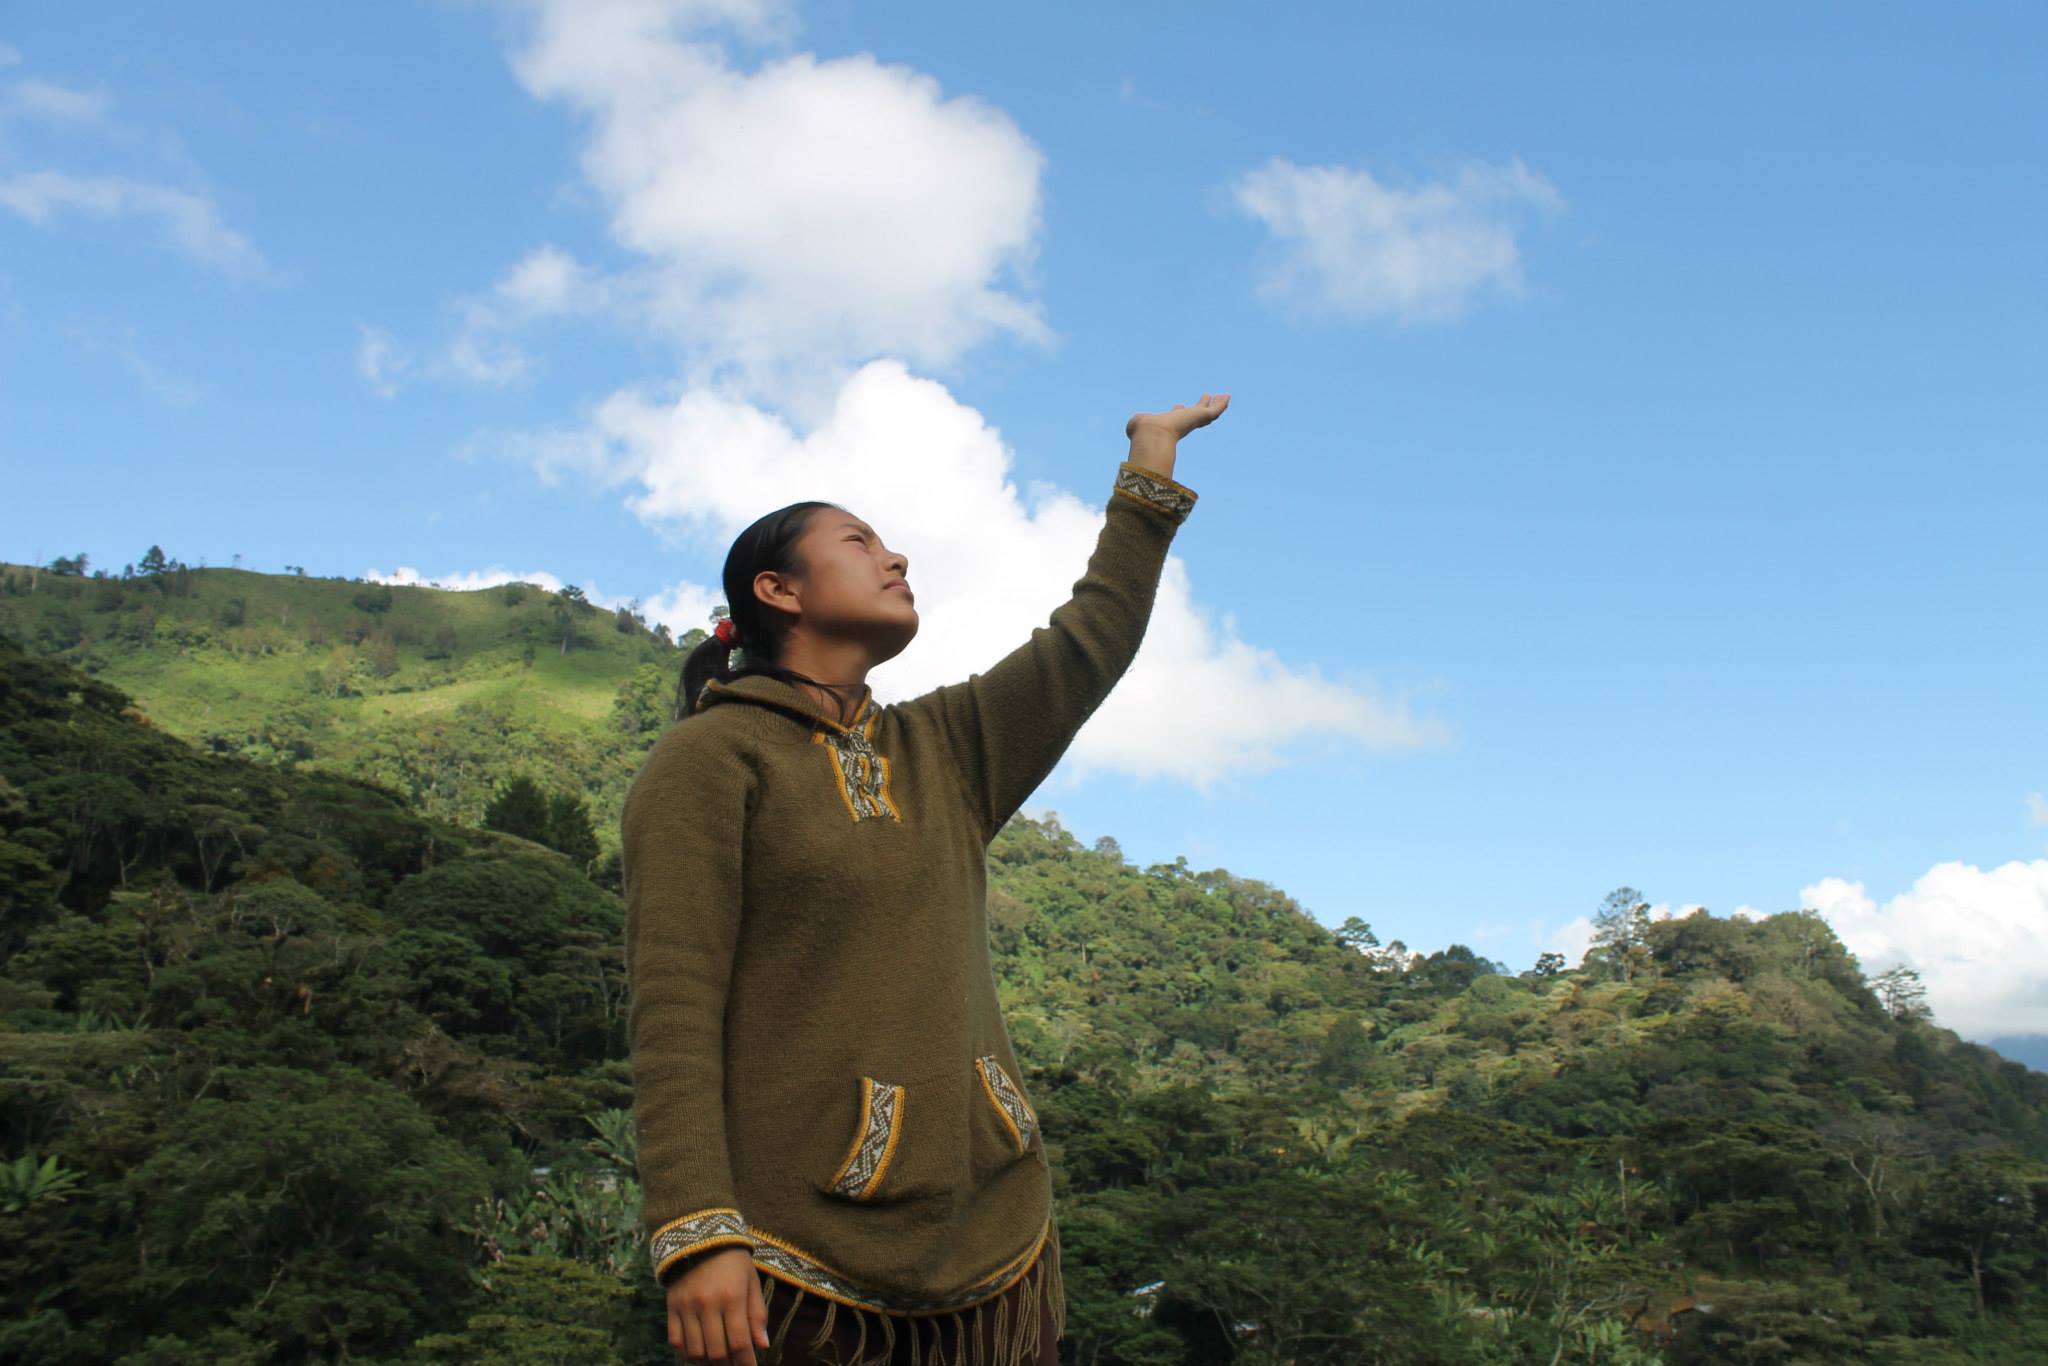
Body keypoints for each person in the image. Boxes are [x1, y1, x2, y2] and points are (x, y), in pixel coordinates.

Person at [621, 392, 1230, 1365]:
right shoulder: (708, 760)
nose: (896, 557)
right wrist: (695, 1228)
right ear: (777, 590)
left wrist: (1148, 468)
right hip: (796, 1266)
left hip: (1000, 1253)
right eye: (859, 542)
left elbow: (1093, 637)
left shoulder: (942, 747)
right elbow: (674, 1006)